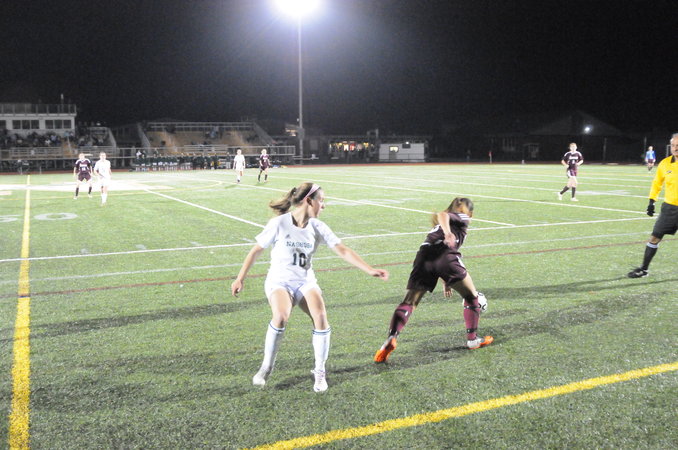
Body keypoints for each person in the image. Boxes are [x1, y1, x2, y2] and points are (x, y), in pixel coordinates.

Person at [230, 182, 389, 392]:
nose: (324, 205)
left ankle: (320, 371)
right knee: (281, 316)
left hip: (305, 281)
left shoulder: (317, 227)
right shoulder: (279, 223)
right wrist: (240, 278)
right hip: (279, 281)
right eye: (321, 201)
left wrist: (369, 269)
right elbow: (256, 250)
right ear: (309, 201)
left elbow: (342, 250)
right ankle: (266, 367)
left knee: (321, 317)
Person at [374, 197, 492, 364]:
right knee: (471, 296)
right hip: (445, 256)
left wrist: (446, 282)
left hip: (424, 256)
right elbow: (442, 215)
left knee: (410, 302)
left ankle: (391, 337)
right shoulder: (462, 217)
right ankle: (473, 340)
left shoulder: (436, 228)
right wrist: (448, 233)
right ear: (470, 213)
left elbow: (436, 245)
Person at [627, 133, 678, 278]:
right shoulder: (665, 164)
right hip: (670, 209)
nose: (675, 148)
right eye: (673, 145)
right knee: (654, 238)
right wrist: (651, 202)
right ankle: (643, 269)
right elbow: (657, 183)